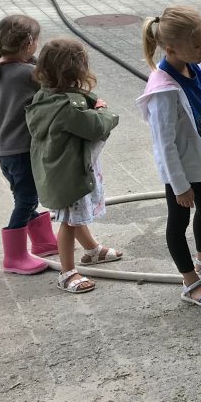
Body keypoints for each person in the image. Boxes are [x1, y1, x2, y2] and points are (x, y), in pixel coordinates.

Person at [138, 7, 201, 309]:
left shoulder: (197, 69)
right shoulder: (163, 91)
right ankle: (191, 282)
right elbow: (164, 144)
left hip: (198, 161)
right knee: (178, 219)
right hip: (179, 170)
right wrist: (179, 185)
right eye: (197, 44)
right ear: (170, 48)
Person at [25, 39, 122, 294]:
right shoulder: (67, 107)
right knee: (68, 221)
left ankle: (92, 250)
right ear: (76, 72)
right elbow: (96, 127)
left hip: (59, 171)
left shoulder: (45, 96)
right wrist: (104, 112)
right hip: (69, 174)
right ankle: (67, 272)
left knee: (74, 215)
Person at [0, 14, 57, 275]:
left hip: (5, 151)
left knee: (24, 195)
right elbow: (54, 88)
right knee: (26, 199)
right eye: (36, 41)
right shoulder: (28, 74)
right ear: (29, 43)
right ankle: (13, 257)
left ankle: (43, 242)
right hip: (23, 150)